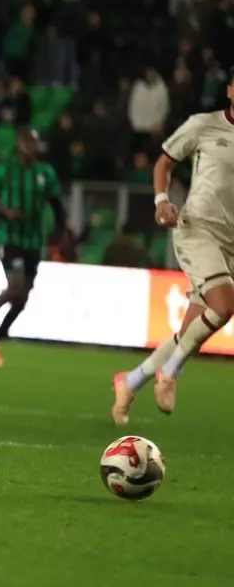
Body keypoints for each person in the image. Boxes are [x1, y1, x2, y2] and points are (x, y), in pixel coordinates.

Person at [112, 82, 234, 424]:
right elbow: (163, 163)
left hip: (231, 242)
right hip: (198, 229)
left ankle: (130, 382)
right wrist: (161, 200)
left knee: (189, 331)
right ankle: (171, 373)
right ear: (229, 90)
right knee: (225, 307)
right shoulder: (202, 125)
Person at [0, 128, 66, 367]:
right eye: (27, 142)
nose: (31, 147)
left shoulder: (45, 173)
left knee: (22, 298)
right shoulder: (5, 171)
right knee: (15, 288)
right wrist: (5, 212)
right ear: (19, 145)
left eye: (34, 143)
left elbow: (57, 206)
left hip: (34, 242)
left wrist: (58, 232)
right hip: (9, 239)